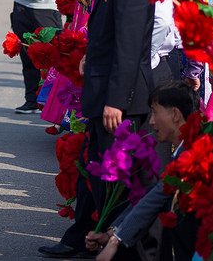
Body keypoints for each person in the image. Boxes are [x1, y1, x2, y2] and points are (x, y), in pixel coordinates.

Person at [39, 0, 155, 259]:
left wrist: (116, 101)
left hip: (117, 100)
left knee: (114, 179)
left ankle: (112, 246)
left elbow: (129, 46)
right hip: (103, 91)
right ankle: (90, 238)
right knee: (98, 172)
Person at [85, 81, 200, 261]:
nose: (151, 121)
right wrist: (111, 234)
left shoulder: (193, 154)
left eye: (155, 112)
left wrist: (115, 240)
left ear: (175, 114)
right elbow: (150, 196)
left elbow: (155, 198)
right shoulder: (183, 150)